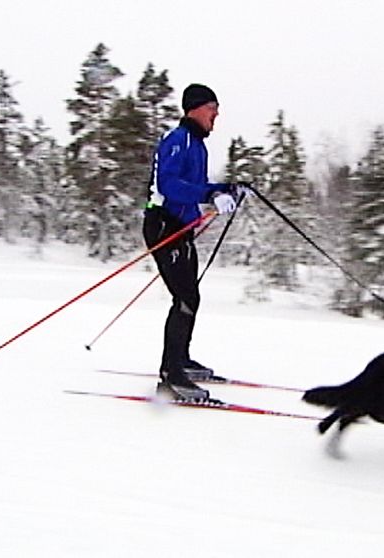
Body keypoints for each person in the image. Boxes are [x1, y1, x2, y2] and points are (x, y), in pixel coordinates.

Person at [143, 83, 241, 400]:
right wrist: (209, 194)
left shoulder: (197, 145)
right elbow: (169, 184)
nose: (216, 114)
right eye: (212, 107)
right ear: (195, 108)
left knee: (191, 296)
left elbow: (195, 185)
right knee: (184, 297)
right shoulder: (178, 140)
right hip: (163, 225)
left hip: (180, 228)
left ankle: (180, 361)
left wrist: (227, 188)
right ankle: (171, 375)